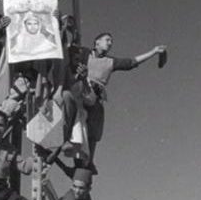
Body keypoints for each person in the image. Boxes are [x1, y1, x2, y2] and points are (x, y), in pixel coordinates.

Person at [59, 33, 167, 173]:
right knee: (74, 113)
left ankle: (88, 161)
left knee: (95, 127)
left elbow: (131, 62)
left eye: (111, 41)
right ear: (97, 42)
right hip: (81, 89)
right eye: (107, 40)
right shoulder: (85, 53)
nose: (110, 43)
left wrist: (153, 52)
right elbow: (66, 48)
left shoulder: (110, 61)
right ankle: (66, 141)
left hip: (95, 96)